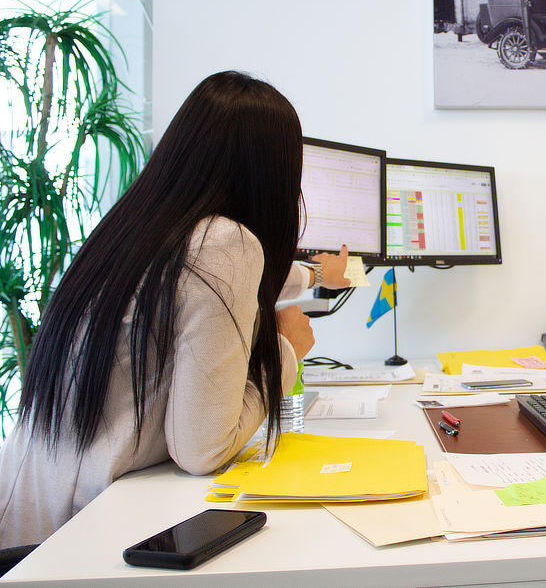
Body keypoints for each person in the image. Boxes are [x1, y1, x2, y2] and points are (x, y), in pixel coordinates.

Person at [0, 71, 351, 547]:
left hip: (27, 511)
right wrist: (289, 349)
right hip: (73, 539)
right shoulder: (226, 243)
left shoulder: (138, 226)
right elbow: (202, 449)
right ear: (271, 174)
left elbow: (234, 280)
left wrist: (316, 275)